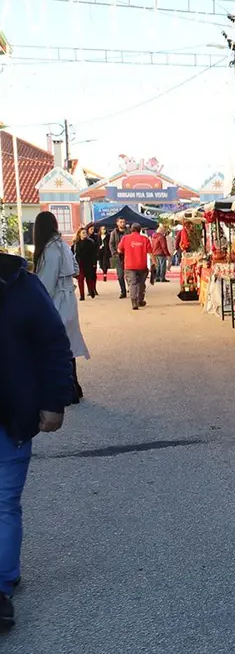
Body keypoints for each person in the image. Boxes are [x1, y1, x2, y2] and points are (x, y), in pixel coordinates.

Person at [0, 248, 74, 634]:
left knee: (3, 501)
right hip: (14, 410)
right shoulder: (21, 282)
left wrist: (53, 401)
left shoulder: (20, 285)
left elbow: (52, 344)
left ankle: (1, 582)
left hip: (10, 415)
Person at [32, 212, 90, 403]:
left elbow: (45, 284)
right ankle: (74, 386)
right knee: (67, 346)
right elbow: (75, 268)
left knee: (55, 347)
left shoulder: (49, 250)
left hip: (56, 301)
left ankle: (66, 390)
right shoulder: (63, 245)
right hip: (68, 299)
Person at [117, 223, 151, 311]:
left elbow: (119, 250)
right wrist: (154, 262)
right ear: (140, 230)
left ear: (131, 229)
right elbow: (150, 252)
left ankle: (134, 302)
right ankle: (140, 300)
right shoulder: (145, 239)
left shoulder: (125, 238)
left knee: (133, 283)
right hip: (142, 265)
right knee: (141, 283)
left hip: (129, 265)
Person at [71, 227, 99, 300]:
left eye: (85, 233)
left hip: (88, 263)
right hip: (79, 264)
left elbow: (94, 254)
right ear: (79, 234)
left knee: (89, 279)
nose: (85, 234)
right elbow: (72, 253)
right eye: (83, 233)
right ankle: (82, 295)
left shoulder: (90, 242)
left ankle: (91, 290)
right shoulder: (76, 243)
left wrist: (94, 263)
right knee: (80, 279)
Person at [109, 218, 127, 299]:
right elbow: (111, 244)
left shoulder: (129, 231)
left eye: (123, 222)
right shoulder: (114, 233)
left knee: (130, 274)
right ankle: (123, 291)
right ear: (117, 223)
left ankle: (132, 290)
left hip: (128, 256)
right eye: (121, 222)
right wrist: (114, 253)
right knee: (120, 275)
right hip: (118, 256)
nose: (122, 223)